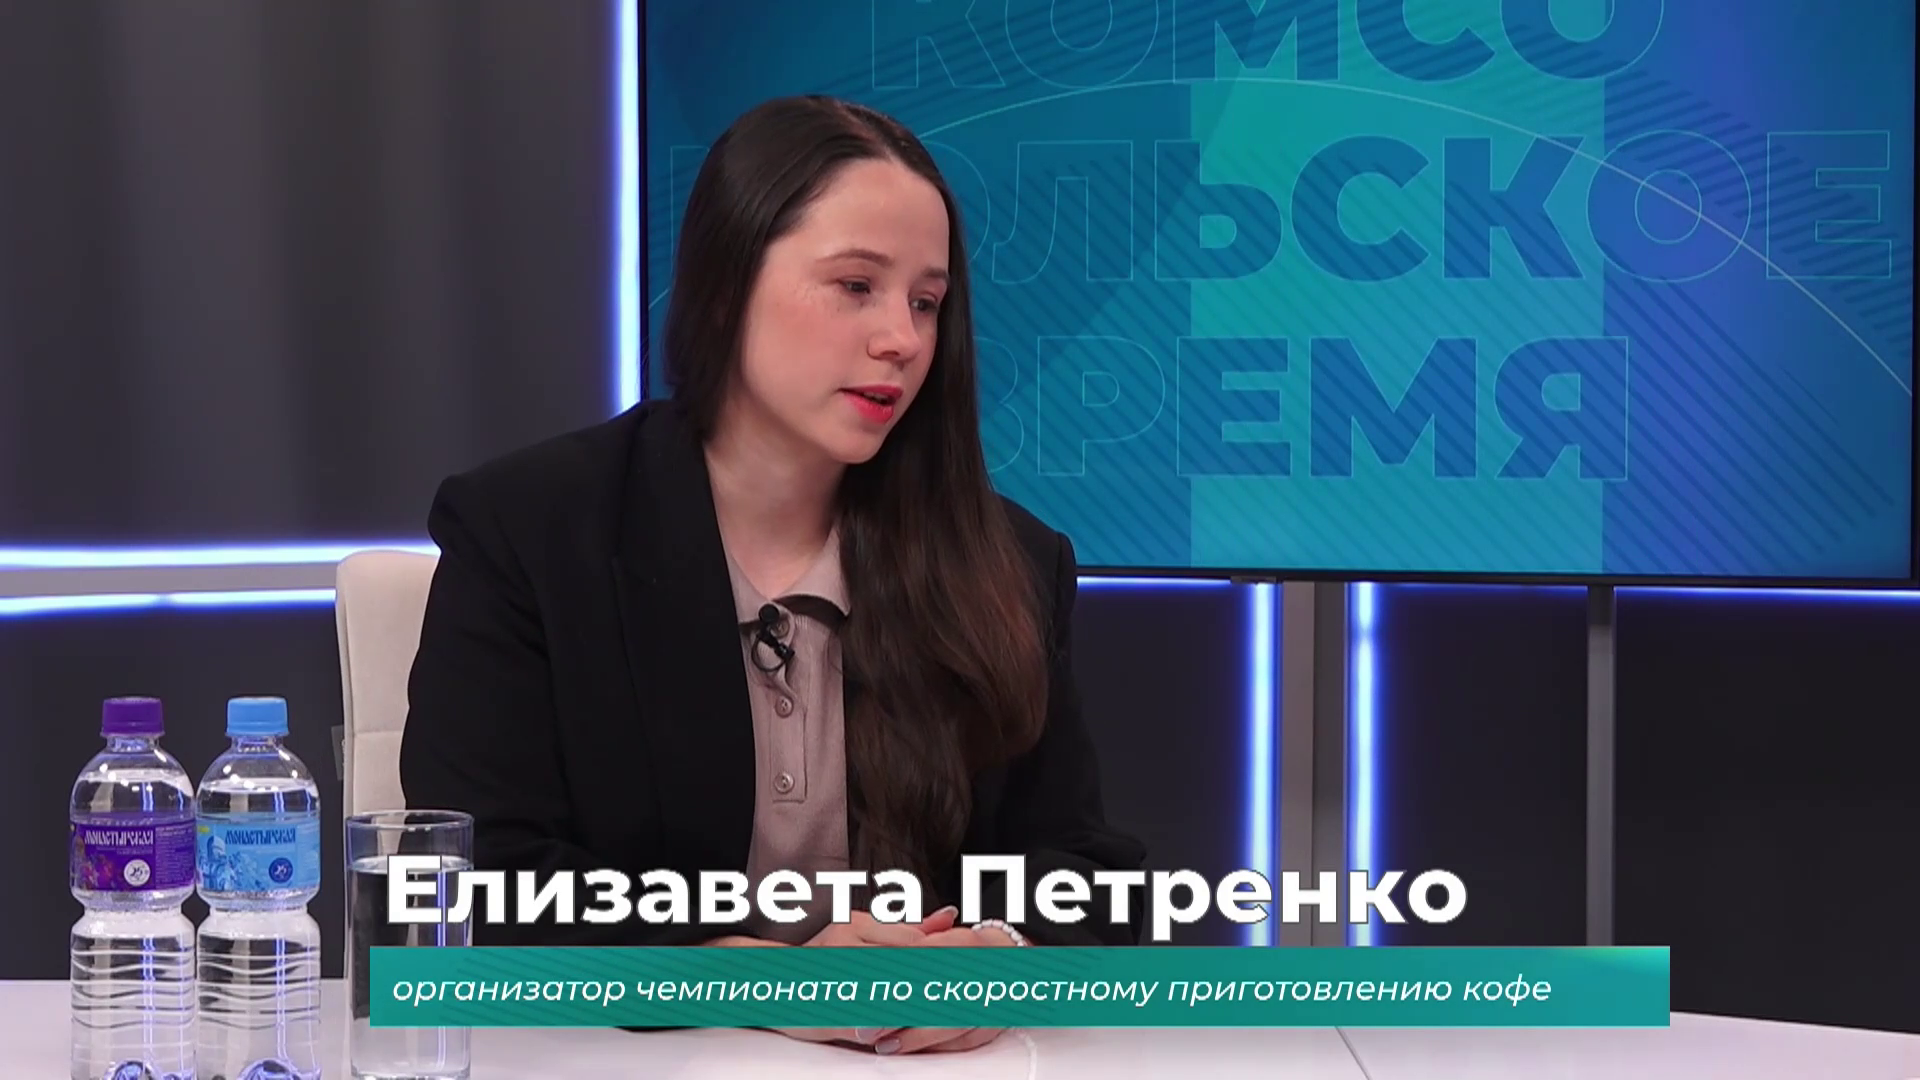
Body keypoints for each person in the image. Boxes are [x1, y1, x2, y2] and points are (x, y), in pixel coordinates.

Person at [397, 94, 1146, 1057]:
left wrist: (1001, 955)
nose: (902, 339)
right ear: (724, 286)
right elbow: (479, 880)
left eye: (926, 302)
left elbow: (1090, 874)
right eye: (855, 286)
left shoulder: (1009, 559)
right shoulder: (530, 531)